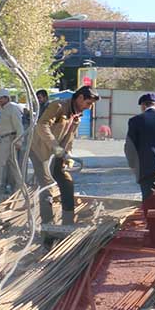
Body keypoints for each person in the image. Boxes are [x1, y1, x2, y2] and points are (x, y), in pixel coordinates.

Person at [32, 86, 100, 225]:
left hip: (57, 153)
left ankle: (67, 223)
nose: (89, 107)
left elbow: (69, 137)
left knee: (67, 183)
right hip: (40, 152)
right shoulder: (58, 106)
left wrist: (68, 154)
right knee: (47, 188)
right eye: (88, 103)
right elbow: (42, 125)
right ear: (80, 98)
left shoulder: (76, 115)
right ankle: (48, 228)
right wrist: (54, 146)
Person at [0, 90, 26, 192]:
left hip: (10, 139)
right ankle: (20, 187)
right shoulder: (4, 109)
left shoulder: (12, 109)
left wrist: (19, 141)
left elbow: (19, 126)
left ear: (6, 98)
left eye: (0, 98)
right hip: (6, 138)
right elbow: (6, 126)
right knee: (13, 165)